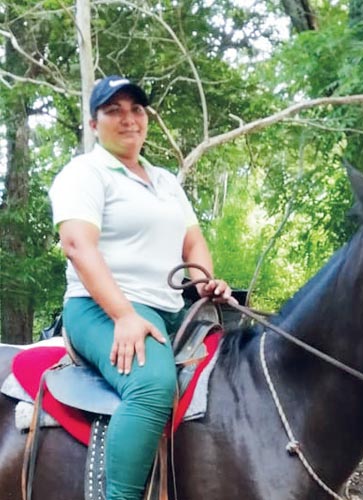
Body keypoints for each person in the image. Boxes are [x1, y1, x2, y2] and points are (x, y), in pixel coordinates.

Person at [49, 75, 232, 500]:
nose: (128, 119)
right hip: (101, 307)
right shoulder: (84, 173)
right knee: (152, 384)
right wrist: (124, 316)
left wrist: (202, 282)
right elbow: (77, 244)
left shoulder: (165, 180)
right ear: (94, 124)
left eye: (136, 110)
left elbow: (193, 241)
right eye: (114, 111)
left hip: (170, 306)